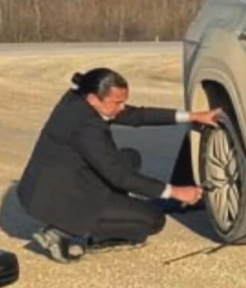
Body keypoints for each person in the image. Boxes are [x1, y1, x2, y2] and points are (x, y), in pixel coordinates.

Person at [16, 67, 221, 263]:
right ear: (93, 99)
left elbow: (138, 115)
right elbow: (119, 177)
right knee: (152, 220)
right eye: (117, 103)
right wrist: (175, 192)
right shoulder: (87, 127)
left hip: (58, 182)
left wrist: (193, 116)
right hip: (61, 198)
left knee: (130, 157)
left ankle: (109, 208)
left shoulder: (78, 101)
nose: (122, 107)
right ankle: (62, 231)